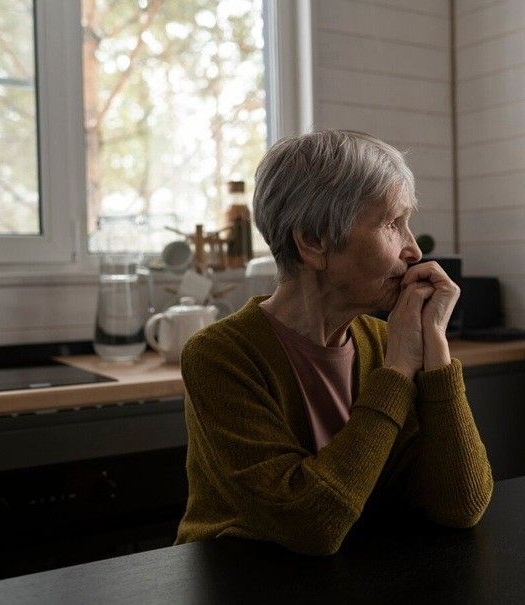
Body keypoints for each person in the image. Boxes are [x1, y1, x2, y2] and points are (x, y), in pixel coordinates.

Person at [175, 130, 493, 555]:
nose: (414, 251)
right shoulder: (219, 356)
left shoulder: (385, 341)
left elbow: (461, 506)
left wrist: (434, 342)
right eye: (392, 224)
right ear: (313, 242)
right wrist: (398, 372)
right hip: (239, 576)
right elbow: (310, 525)